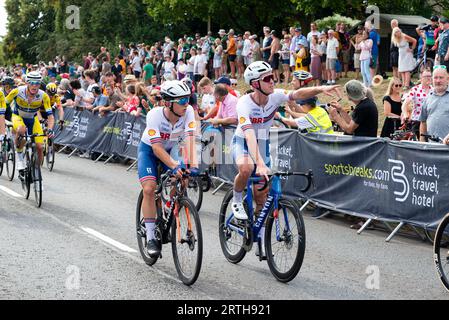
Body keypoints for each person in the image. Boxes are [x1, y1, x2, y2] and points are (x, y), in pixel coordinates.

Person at [231, 60, 339, 225]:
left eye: (272, 76)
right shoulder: (244, 103)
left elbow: (298, 94)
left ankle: (259, 233)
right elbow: (249, 134)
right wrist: (259, 162)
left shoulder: (275, 96)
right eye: (267, 79)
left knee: (262, 193)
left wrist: (321, 88)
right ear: (254, 83)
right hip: (244, 140)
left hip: (262, 142)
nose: (272, 80)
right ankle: (237, 200)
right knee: (247, 168)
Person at [138, 80, 199, 257]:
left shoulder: (188, 112)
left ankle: (168, 210)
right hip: (149, 150)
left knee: (184, 177)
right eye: (181, 101)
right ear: (168, 102)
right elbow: (156, 148)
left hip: (171, 149)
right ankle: (150, 236)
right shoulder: (154, 115)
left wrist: (192, 165)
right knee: (149, 189)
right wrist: (174, 165)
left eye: (187, 99)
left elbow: (190, 139)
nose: (185, 104)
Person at [5, 71, 55, 177]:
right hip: (18, 116)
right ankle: (19, 158)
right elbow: (4, 104)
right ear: (27, 83)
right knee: (21, 130)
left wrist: (50, 128)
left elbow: (50, 116)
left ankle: (36, 172)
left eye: (37, 83)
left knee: (40, 147)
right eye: (32, 82)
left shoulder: (43, 96)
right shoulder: (17, 91)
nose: (34, 86)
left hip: (33, 119)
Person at [419, 66, 449, 141]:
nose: (438, 81)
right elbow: (423, 122)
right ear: (432, 80)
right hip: (431, 145)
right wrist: (422, 143)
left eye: (441, 77)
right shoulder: (427, 98)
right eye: (435, 78)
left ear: (447, 79)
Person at [402, 68, 433, 138]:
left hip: (430, 121)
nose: (429, 78)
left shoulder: (434, 90)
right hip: (417, 120)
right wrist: (405, 114)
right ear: (421, 78)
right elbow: (405, 104)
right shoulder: (415, 89)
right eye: (426, 76)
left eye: (430, 76)